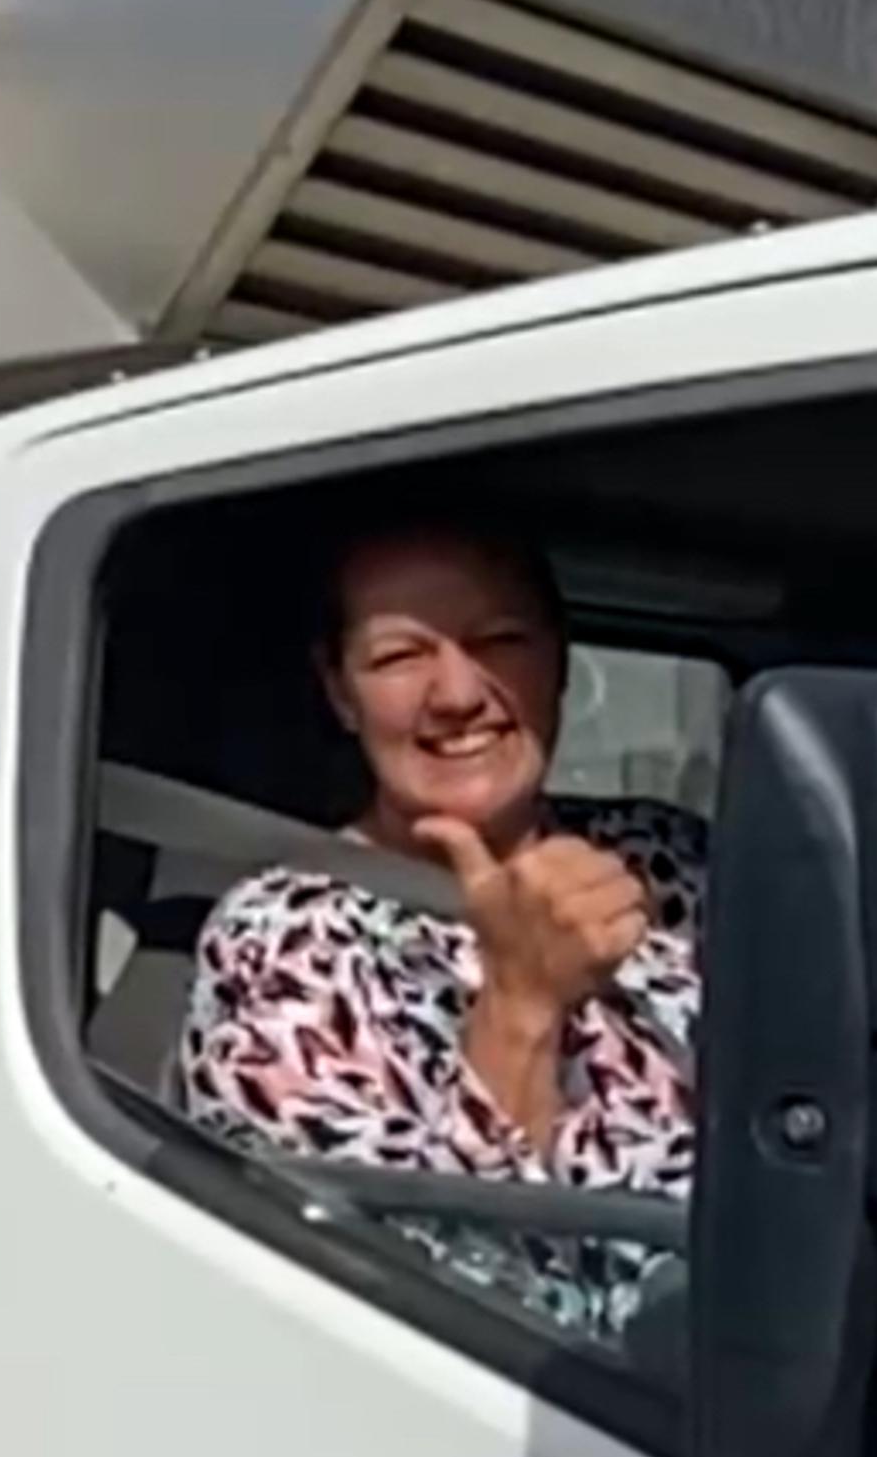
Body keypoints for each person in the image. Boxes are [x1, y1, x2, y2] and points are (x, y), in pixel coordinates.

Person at [172, 517, 704, 1338]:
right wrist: (521, 1002)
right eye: (399, 657)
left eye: (500, 640)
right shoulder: (286, 942)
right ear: (340, 692)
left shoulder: (667, 858)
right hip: (583, 1430)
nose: (457, 694)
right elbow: (405, 1318)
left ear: (560, 662)